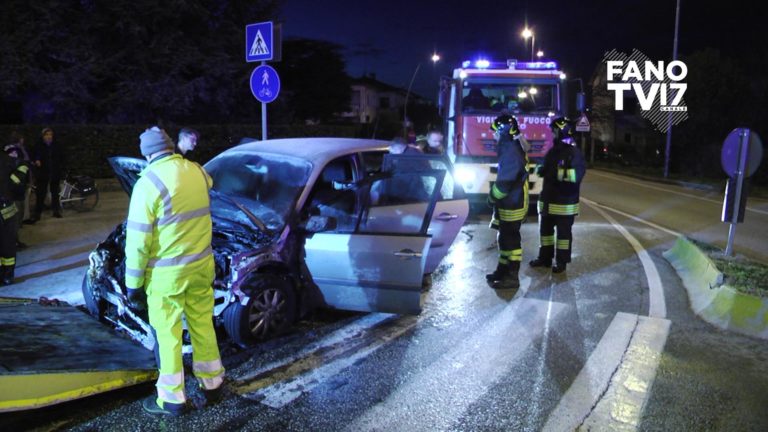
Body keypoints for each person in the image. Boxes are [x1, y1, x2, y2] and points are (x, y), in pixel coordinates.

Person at [124, 126, 224, 416]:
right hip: (201, 267)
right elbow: (208, 184)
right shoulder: (196, 171)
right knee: (202, 325)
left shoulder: (148, 184)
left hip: (167, 276)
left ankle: (172, 399)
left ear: (147, 154)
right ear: (169, 147)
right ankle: (213, 384)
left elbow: (138, 242)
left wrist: (133, 284)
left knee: (168, 335)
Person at [529, 117, 586, 273]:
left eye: (553, 130)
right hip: (549, 201)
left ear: (561, 130)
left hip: (564, 203)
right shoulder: (554, 151)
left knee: (563, 236)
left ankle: (561, 262)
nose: (551, 133)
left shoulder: (573, 153)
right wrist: (542, 170)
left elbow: (575, 177)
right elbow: (548, 169)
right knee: (545, 233)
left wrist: (552, 172)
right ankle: (545, 258)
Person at [486, 114, 529, 289]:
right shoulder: (510, 148)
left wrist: (491, 197)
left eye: (495, 132)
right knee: (504, 238)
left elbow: (504, 182)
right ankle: (502, 270)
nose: (493, 136)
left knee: (511, 240)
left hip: (513, 202)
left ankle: (512, 276)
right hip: (510, 201)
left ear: (503, 131)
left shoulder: (510, 151)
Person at [1, 147, 30, 285]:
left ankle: (8, 274)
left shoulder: (6, 160)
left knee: (8, 245)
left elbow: (24, 165)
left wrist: (13, 180)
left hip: (7, 211)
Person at [31, 127, 64, 220]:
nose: (49, 136)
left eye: (50, 135)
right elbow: (33, 155)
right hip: (42, 173)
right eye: (47, 135)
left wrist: (60, 168)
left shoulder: (57, 145)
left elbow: (62, 157)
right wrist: (36, 160)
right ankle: (37, 214)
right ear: (43, 136)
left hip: (55, 173)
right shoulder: (38, 145)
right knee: (40, 194)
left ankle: (56, 211)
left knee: (55, 193)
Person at [4, 142, 31, 250]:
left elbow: (19, 179)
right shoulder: (6, 164)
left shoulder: (20, 163)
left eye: (14, 152)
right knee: (12, 223)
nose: (13, 154)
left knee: (16, 221)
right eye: (10, 153)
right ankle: (13, 243)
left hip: (17, 196)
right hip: (10, 198)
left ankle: (14, 241)